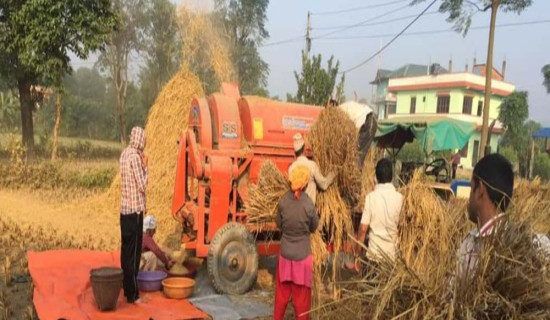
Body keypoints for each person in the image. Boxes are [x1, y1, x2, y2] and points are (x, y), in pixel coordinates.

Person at [456, 154, 550, 280]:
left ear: (480, 191)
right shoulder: (533, 244)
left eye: (471, 187)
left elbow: (451, 295)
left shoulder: (470, 246)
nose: (469, 200)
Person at [274, 165, 319, 320]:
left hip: (285, 256)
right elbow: (314, 227)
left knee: (281, 296)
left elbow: (279, 224)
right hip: (302, 258)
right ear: (305, 184)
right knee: (302, 301)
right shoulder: (308, 204)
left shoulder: (283, 202)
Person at [349, 158, 403, 272]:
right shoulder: (400, 199)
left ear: (376, 177)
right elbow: (401, 229)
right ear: (391, 177)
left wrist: (357, 256)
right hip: (391, 259)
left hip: (373, 259)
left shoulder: (371, 198)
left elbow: (363, 229)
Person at [120, 126, 148, 303]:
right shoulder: (136, 158)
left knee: (125, 250)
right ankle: (133, 294)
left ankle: (126, 287)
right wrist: (146, 167)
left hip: (124, 211)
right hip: (135, 212)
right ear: (140, 140)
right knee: (134, 253)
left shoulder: (124, 154)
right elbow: (142, 185)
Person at [288, 133, 336, 205]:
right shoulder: (311, 165)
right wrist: (333, 173)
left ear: (294, 152)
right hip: (309, 210)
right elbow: (324, 185)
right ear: (304, 149)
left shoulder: (291, 168)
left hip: (296, 209)